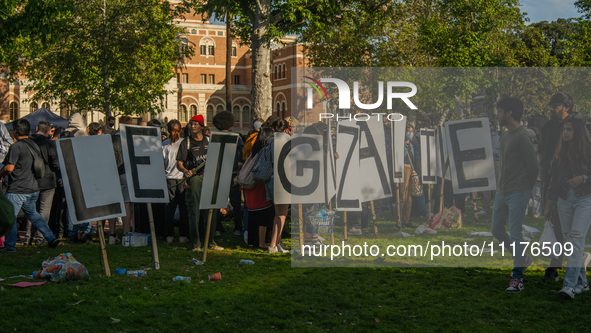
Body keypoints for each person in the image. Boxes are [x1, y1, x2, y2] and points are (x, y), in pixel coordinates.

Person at [491, 97, 539, 292]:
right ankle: (523, 258)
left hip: (518, 191)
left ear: (509, 113)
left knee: (516, 232)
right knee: (496, 230)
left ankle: (517, 278)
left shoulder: (522, 136)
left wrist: (526, 190)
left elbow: (533, 167)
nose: (498, 115)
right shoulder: (504, 136)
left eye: (500, 111)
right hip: (502, 192)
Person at [544, 118, 591, 299]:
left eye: (569, 129)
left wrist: (584, 178)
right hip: (564, 200)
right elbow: (554, 181)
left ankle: (569, 286)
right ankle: (582, 282)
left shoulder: (588, 151)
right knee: (570, 243)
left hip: (584, 200)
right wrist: (549, 204)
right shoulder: (560, 151)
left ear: (578, 132)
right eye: (564, 129)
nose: (565, 133)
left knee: (576, 241)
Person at [538, 92, 582, 282]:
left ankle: (576, 268)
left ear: (566, 106)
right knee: (554, 221)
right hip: (551, 179)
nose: (552, 109)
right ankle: (554, 265)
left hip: (573, 181)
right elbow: (542, 151)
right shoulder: (548, 126)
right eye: (551, 105)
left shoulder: (578, 125)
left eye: (555, 105)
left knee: (573, 227)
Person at [0, 119, 59, 253]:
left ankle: (10, 246)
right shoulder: (33, 144)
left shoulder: (16, 147)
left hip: (17, 188)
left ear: (15, 131)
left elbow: (9, 168)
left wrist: (1, 174)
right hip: (33, 187)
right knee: (33, 214)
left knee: (11, 217)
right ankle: (50, 237)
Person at [176, 114, 223, 251]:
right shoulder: (187, 142)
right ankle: (195, 243)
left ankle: (210, 241)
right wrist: (185, 171)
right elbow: (179, 163)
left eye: (196, 123)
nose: (193, 126)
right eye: (191, 123)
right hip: (195, 178)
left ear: (202, 126)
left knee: (211, 210)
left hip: (210, 177)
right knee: (194, 210)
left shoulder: (210, 140)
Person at [26, 120, 60, 245]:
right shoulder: (49, 144)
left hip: (32, 179)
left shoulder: (29, 143)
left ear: (36, 129)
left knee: (31, 209)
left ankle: (28, 236)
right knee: (44, 209)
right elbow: (55, 163)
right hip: (48, 180)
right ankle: (40, 237)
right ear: (48, 131)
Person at [212, 111, 244, 237]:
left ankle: (218, 228)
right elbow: (241, 155)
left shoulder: (214, 136)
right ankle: (237, 227)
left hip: (219, 173)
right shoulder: (237, 137)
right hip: (233, 173)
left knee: (218, 202)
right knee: (236, 203)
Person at [161, 119, 189, 244]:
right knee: (175, 208)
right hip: (174, 179)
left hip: (177, 178)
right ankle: (175, 234)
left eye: (177, 131)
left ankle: (174, 234)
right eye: (174, 131)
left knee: (175, 208)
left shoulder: (167, 144)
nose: (175, 133)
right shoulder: (167, 144)